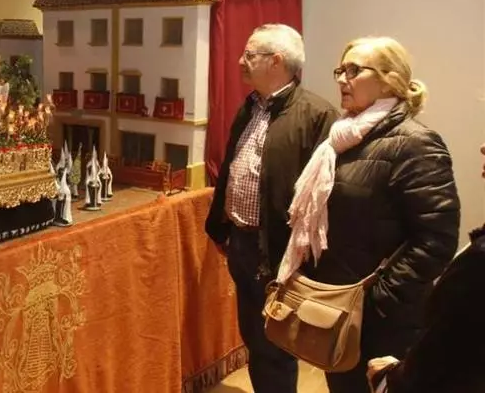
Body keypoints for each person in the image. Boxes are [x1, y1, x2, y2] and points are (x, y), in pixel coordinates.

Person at [277, 36, 460, 393]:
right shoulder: (341, 139)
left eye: (354, 70)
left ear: (390, 81)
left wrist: (376, 301)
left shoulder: (416, 143)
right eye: (340, 70)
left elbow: (436, 240)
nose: (342, 79)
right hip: (335, 311)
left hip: (381, 323)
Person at [205, 24, 339, 393]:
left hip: (281, 252)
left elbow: (326, 196)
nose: (240, 61)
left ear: (276, 61)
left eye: (250, 55)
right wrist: (222, 227)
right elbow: (232, 167)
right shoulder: (250, 106)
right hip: (242, 244)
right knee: (255, 336)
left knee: (276, 343)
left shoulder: (317, 115)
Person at [365, 143, 485, 393]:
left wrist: (390, 379)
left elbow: (435, 241)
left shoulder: (418, 145)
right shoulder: (335, 144)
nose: (482, 147)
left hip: (382, 318)